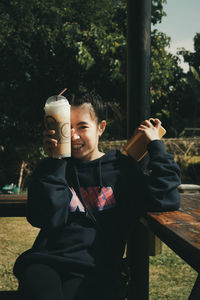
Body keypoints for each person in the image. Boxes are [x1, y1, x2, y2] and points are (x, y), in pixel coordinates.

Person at [13, 91, 181, 300]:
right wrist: (56, 160)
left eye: (82, 127)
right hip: (45, 262)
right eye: (67, 127)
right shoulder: (51, 167)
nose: (73, 135)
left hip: (97, 269)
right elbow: (49, 218)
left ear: (100, 128)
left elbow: (166, 197)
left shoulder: (121, 169)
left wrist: (155, 145)